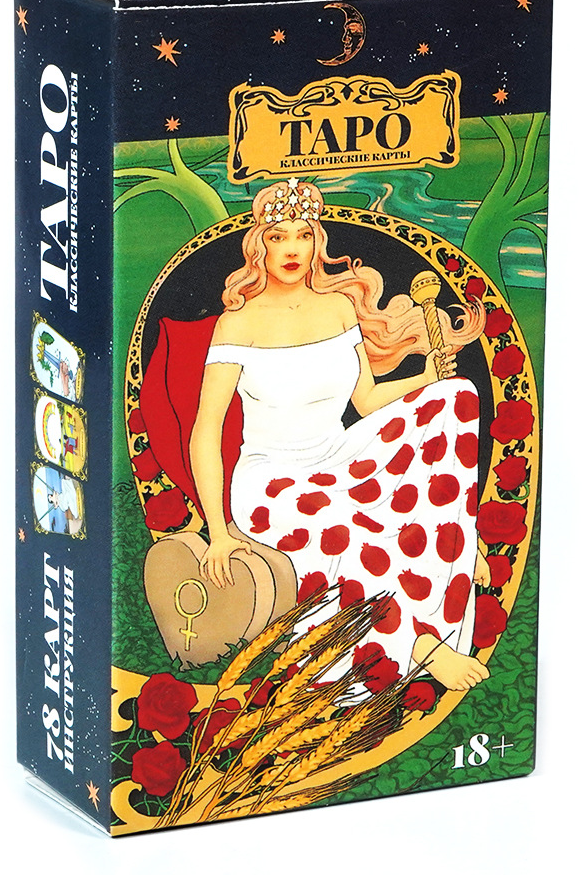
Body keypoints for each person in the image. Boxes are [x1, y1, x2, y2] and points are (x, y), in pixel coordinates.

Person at [190, 179, 490, 692]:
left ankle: (456, 531)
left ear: (317, 242)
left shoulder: (339, 308)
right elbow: (205, 431)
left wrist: (426, 377)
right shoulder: (236, 323)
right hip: (271, 480)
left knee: (456, 395)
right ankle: (415, 644)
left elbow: (366, 400)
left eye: (303, 236)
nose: (291, 249)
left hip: (339, 454)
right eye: (278, 237)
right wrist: (218, 530)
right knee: (343, 525)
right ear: (260, 246)